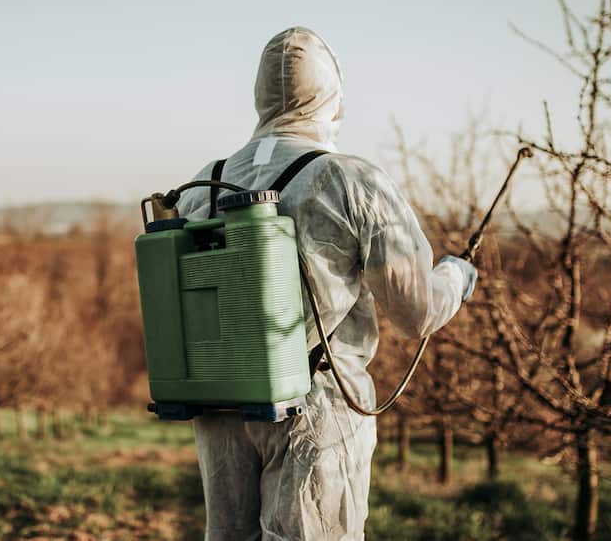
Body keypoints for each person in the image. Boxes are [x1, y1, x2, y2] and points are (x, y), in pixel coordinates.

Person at [174, 27, 478, 540]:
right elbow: (416, 313)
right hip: (313, 413)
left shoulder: (199, 186)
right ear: (332, 96)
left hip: (220, 408)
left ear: (260, 96)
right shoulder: (351, 181)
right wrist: (456, 275)